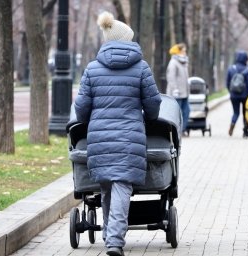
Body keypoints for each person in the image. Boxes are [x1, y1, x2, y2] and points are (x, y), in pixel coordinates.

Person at [74, 11, 161, 256]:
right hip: (129, 137)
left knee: (107, 186)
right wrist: (148, 117)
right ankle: (114, 241)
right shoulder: (141, 68)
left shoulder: (91, 69)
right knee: (122, 185)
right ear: (127, 41)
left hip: (99, 138)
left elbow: (81, 109)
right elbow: (153, 105)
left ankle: (109, 236)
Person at [226, 50, 248, 137]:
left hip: (234, 95)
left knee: (235, 113)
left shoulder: (231, 69)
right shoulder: (247, 69)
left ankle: (232, 124)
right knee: (245, 113)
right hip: (245, 95)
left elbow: (227, 83)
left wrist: (231, 92)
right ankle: (245, 132)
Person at [166, 43, 190, 136]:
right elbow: (171, 77)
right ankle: (177, 131)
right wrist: (175, 89)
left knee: (186, 111)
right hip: (177, 93)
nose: (185, 52)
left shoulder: (183, 62)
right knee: (177, 113)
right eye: (183, 51)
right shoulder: (173, 62)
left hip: (185, 93)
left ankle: (183, 130)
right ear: (179, 52)